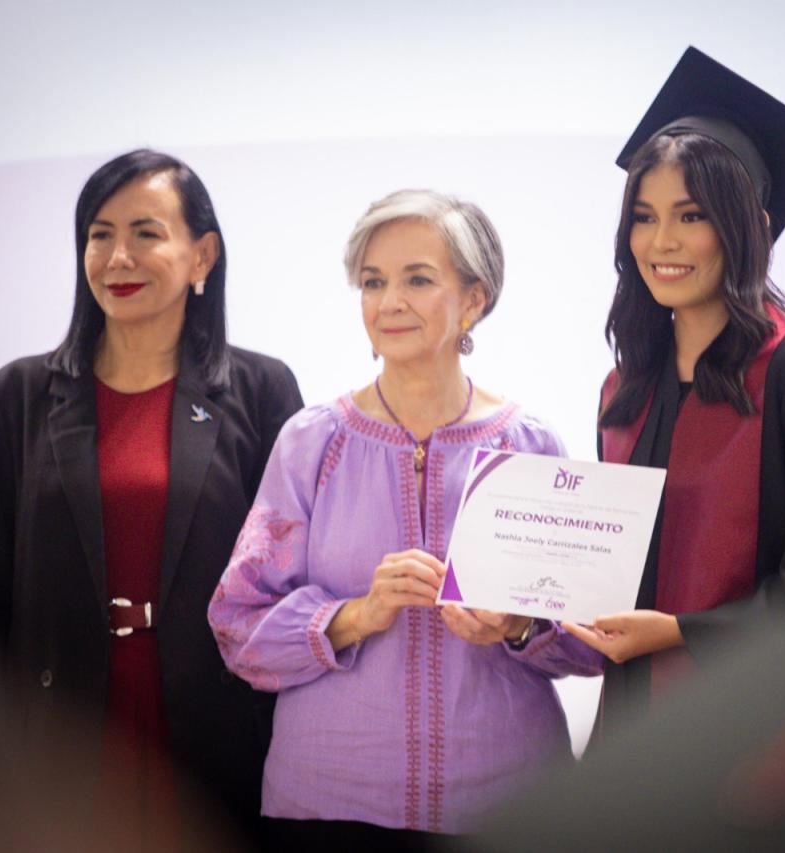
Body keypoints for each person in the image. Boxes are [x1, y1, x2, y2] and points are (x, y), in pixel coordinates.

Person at [208, 189, 602, 844]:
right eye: (373, 281)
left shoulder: (528, 446)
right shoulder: (311, 442)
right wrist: (356, 614)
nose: (389, 301)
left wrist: (515, 624)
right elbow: (237, 625)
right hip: (328, 803)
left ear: (474, 299)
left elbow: (589, 642)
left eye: (417, 279)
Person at [0, 149, 304, 843]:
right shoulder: (17, 396)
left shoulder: (262, 391)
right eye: (99, 234)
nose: (117, 258)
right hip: (59, 731)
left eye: (145, 233)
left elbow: (290, 588)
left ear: (202, 256)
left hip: (217, 729)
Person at [563, 48, 785, 734]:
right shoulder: (624, 390)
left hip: (756, 737)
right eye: (644, 216)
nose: (661, 242)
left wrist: (679, 632)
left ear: (748, 226)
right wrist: (526, 612)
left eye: (691, 215)